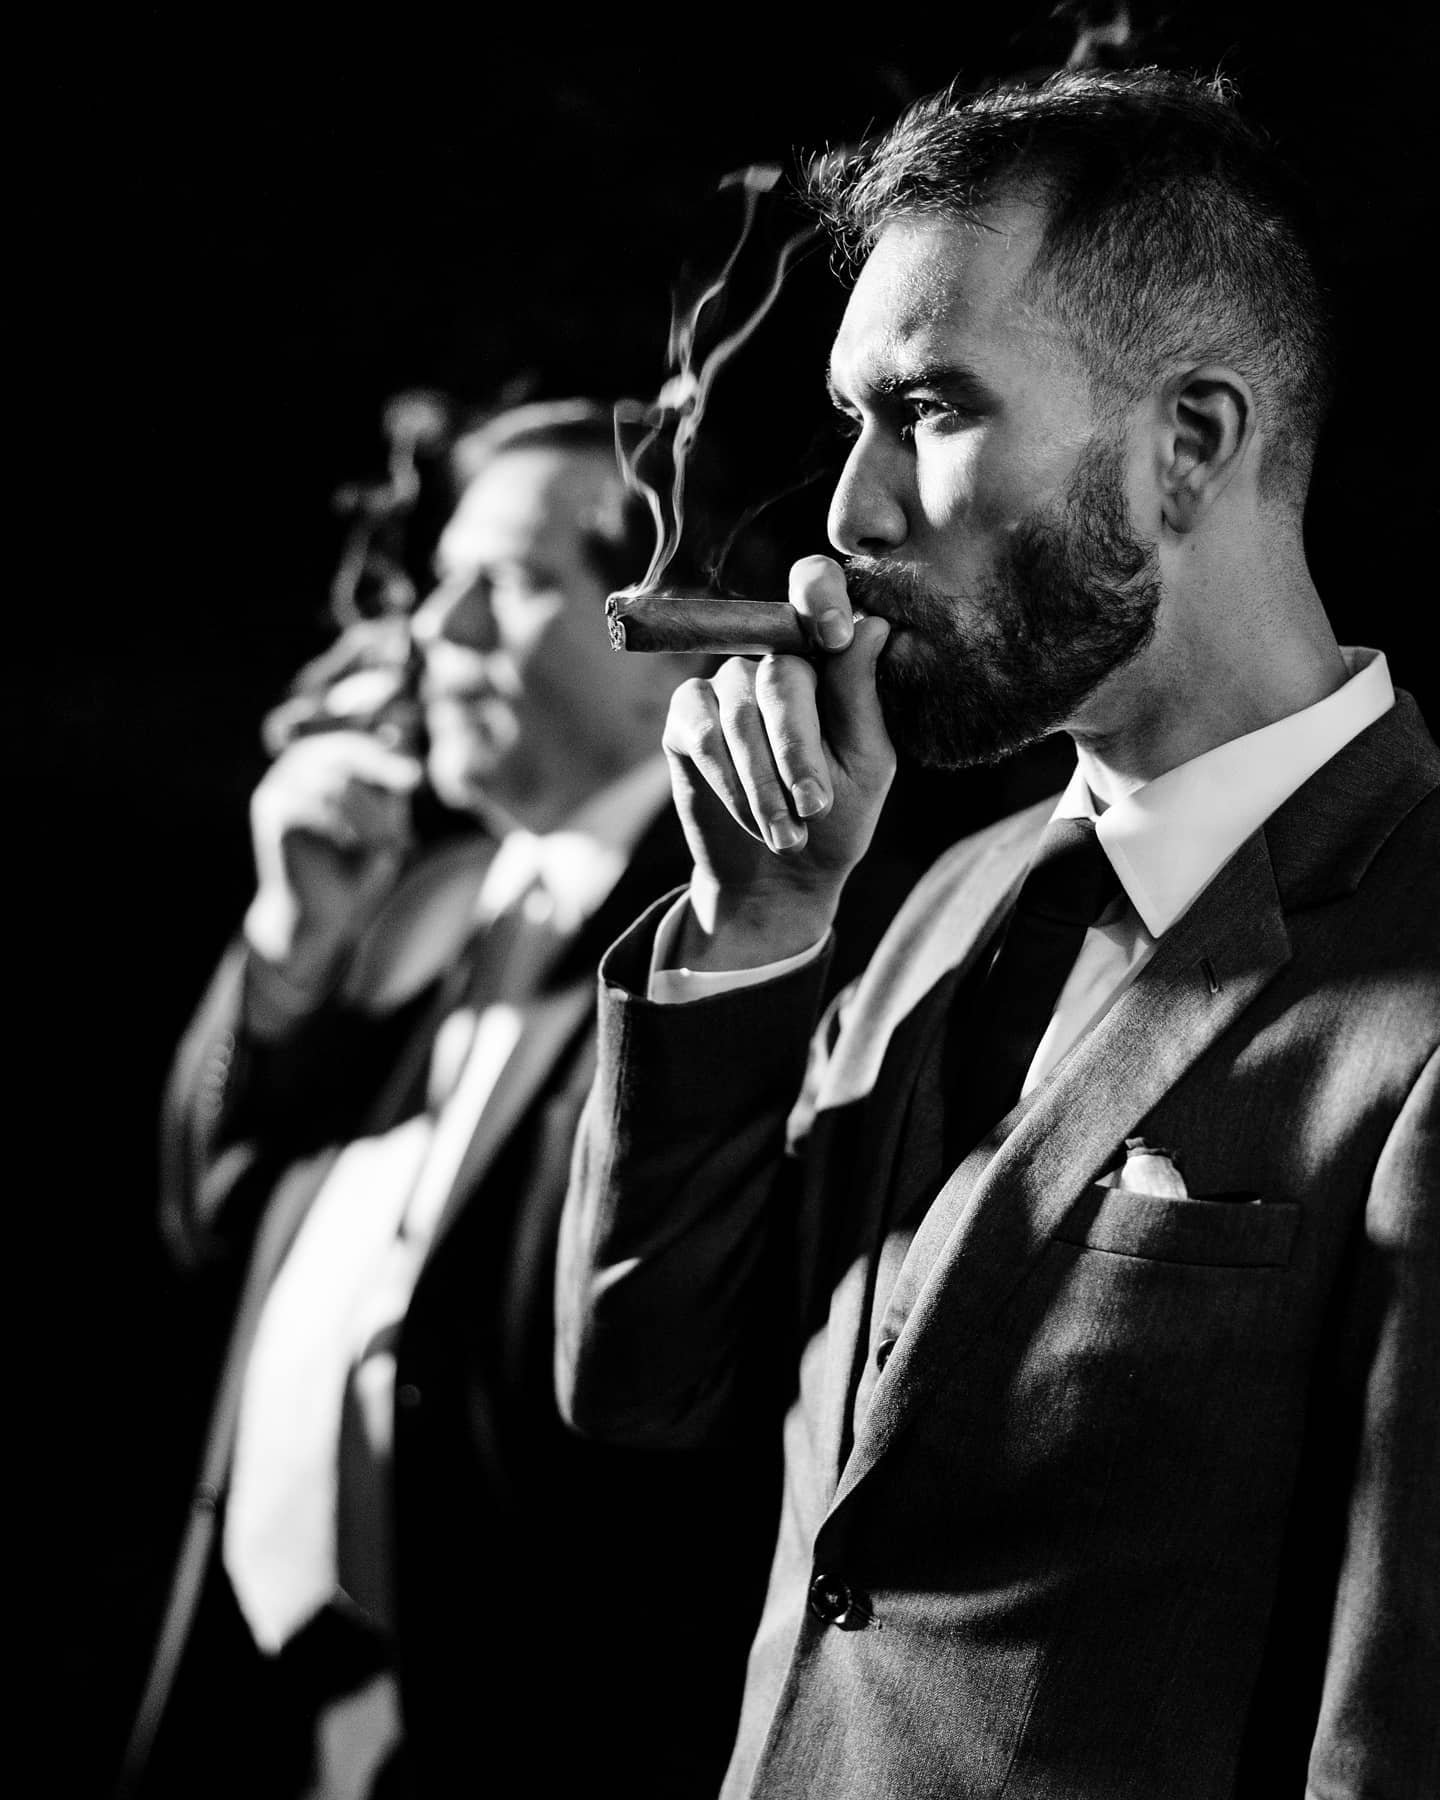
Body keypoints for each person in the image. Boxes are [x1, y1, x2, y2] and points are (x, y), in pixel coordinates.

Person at [553, 69, 1439, 1800]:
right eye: (851, 422)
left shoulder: (1417, 978)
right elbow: (646, 1392)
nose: (853, 518)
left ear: (1189, 444)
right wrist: (763, 922)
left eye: (931, 410)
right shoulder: (941, 904)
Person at [119, 399, 804, 1799]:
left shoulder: (732, 956)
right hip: (254, 1719)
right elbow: (209, 1214)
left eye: (506, 582)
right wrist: (287, 946)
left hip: (525, 1731)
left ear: (680, 634)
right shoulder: (411, 903)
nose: (438, 630)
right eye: (438, 584)